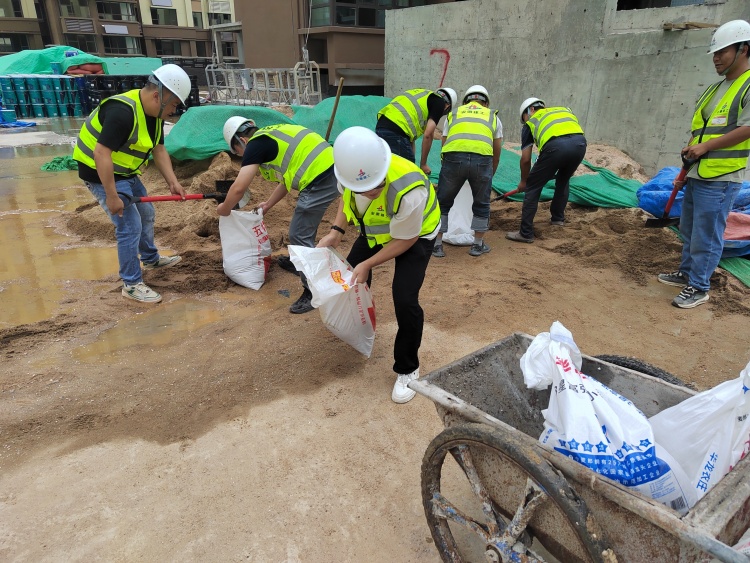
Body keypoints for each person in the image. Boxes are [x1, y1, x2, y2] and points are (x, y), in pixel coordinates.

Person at [318, 126, 440, 404]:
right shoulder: (348, 174)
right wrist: (336, 231)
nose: (372, 191)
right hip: (377, 230)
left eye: (377, 184)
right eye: (364, 188)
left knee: (405, 298)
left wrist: (369, 263)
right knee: (351, 276)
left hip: (417, 234)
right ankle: (362, 325)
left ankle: (408, 369)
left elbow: (406, 239)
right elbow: (346, 200)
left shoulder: (410, 189)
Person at [72, 63, 191, 304]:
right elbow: (101, 153)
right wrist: (112, 196)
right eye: (174, 105)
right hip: (100, 173)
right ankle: (131, 283)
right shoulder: (122, 112)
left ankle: (150, 258)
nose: (174, 111)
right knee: (129, 225)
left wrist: (173, 182)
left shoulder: (154, 115)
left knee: (146, 213)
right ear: (158, 96)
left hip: (125, 171)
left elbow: (158, 149)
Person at [658, 20, 750, 309]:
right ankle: (687, 272)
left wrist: (706, 147)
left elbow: (748, 128)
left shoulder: (747, 85)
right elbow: (701, 131)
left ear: (744, 49)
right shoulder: (715, 89)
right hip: (698, 171)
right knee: (688, 227)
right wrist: (686, 165)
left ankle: (699, 287)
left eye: (722, 51)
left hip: (721, 176)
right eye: (714, 53)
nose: (716, 58)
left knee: (707, 234)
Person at [219, 117, 339, 314]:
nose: (241, 156)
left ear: (242, 141)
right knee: (304, 226)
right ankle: (300, 263)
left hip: (321, 177)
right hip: (329, 169)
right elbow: (286, 179)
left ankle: (312, 292)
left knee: (299, 234)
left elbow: (239, 188)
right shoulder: (272, 135)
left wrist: (224, 209)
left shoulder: (255, 144)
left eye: (238, 152)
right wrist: (268, 204)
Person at [432, 84, 503, 258]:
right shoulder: (492, 116)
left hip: (453, 158)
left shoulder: (454, 114)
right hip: (482, 160)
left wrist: (447, 167)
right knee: (482, 203)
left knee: (443, 202)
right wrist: (489, 173)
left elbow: (444, 143)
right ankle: (477, 245)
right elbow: (497, 150)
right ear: (486, 103)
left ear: (465, 102)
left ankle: (437, 245)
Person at [506, 98, 587, 243]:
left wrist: (524, 181)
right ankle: (558, 219)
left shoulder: (531, 122)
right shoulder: (563, 110)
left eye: (524, 118)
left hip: (555, 147)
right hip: (580, 145)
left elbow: (525, 159)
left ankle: (525, 233)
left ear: (530, 110)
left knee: (533, 186)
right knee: (563, 180)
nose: (525, 121)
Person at [375, 87, 457, 175]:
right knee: (408, 173)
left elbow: (410, 141)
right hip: (396, 132)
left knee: (389, 169)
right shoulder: (439, 102)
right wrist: (423, 164)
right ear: (447, 106)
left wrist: (412, 162)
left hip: (381, 128)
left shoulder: (422, 95)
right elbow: (428, 135)